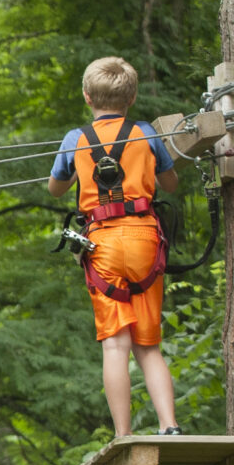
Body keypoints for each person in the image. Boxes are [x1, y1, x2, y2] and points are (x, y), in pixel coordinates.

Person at [45, 56, 182, 437]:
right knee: (148, 347)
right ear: (132, 97)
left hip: (102, 242)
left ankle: (123, 434)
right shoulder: (145, 134)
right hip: (144, 239)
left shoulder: (76, 139)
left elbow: (55, 188)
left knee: (115, 348)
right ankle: (168, 425)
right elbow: (169, 184)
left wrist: (76, 168)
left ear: (87, 97)